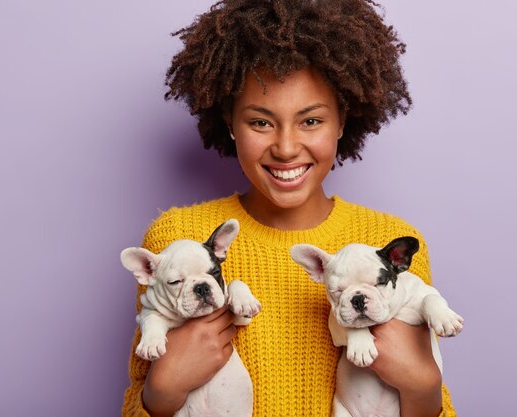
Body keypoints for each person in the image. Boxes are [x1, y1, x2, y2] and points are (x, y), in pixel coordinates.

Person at [122, 0, 457, 416]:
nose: (285, 147)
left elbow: (430, 398)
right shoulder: (177, 239)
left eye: (311, 121)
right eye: (260, 122)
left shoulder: (388, 242)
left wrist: (422, 383)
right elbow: (138, 399)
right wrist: (166, 387)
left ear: (342, 120)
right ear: (229, 121)